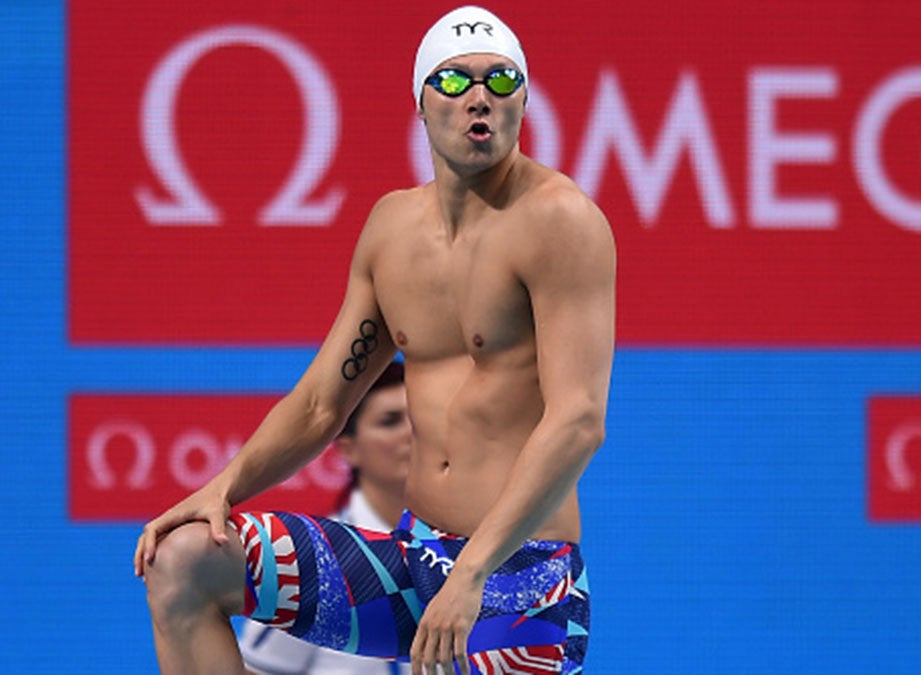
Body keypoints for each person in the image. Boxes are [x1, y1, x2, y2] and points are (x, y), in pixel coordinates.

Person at [134, 5, 615, 675]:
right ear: (419, 101)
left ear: (524, 100)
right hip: (411, 562)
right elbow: (321, 406)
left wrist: (472, 572)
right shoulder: (393, 229)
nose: (479, 97)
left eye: (501, 81)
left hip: (519, 580)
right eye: (454, 81)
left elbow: (579, 421)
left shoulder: (560, 222)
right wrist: (224, 488)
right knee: (185, 559)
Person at [239, 361, 413, 675]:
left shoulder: (473, 546)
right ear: (349, 449)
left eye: (421, 418)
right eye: (390, 422)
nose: (412, 433)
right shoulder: (317, 559)